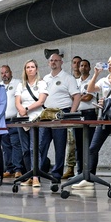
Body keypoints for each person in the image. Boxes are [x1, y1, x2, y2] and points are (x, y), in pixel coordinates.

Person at [37, 52, 80, 183]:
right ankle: (38, 172)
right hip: (46, 115)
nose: (54, 62)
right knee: (41, 145)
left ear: (61, 62)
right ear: (48, 63)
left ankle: (56, 175)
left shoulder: (68, 78)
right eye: (52, 60)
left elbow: (77, 96)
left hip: (61, 114)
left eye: (57, 60)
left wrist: (71, 114)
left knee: (59, 146)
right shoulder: (45, 79)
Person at [86, 55, 111, 188]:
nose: (110, 64)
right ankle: (90, 176)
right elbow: (90, 90)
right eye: (108, 62)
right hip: (103, 117)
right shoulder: (103, 80)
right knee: (93, 147)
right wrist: (96, 74)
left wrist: (108, 102)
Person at [15, 59, 48, 187]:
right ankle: (29, 174)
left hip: (36, 118)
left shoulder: (42, 83)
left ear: (36, 69)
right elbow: (17, 101)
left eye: (32, 67)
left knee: (34, 148)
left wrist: (27, 109)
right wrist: (21, 109)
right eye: (27, 67)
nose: (30, 69)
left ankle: (36, 177)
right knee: (25, 150)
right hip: (22, 119)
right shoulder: (20, 85)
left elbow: (41, 101)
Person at [0, 64, 24, 180]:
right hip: (2, 121)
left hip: (14, 120)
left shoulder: (18, 83)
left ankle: (18, 169)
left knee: (16, 144)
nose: (4, 75)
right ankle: (8, 169)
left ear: (11, 72)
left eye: (6, 72)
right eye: (2, 73)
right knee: (6, 146)